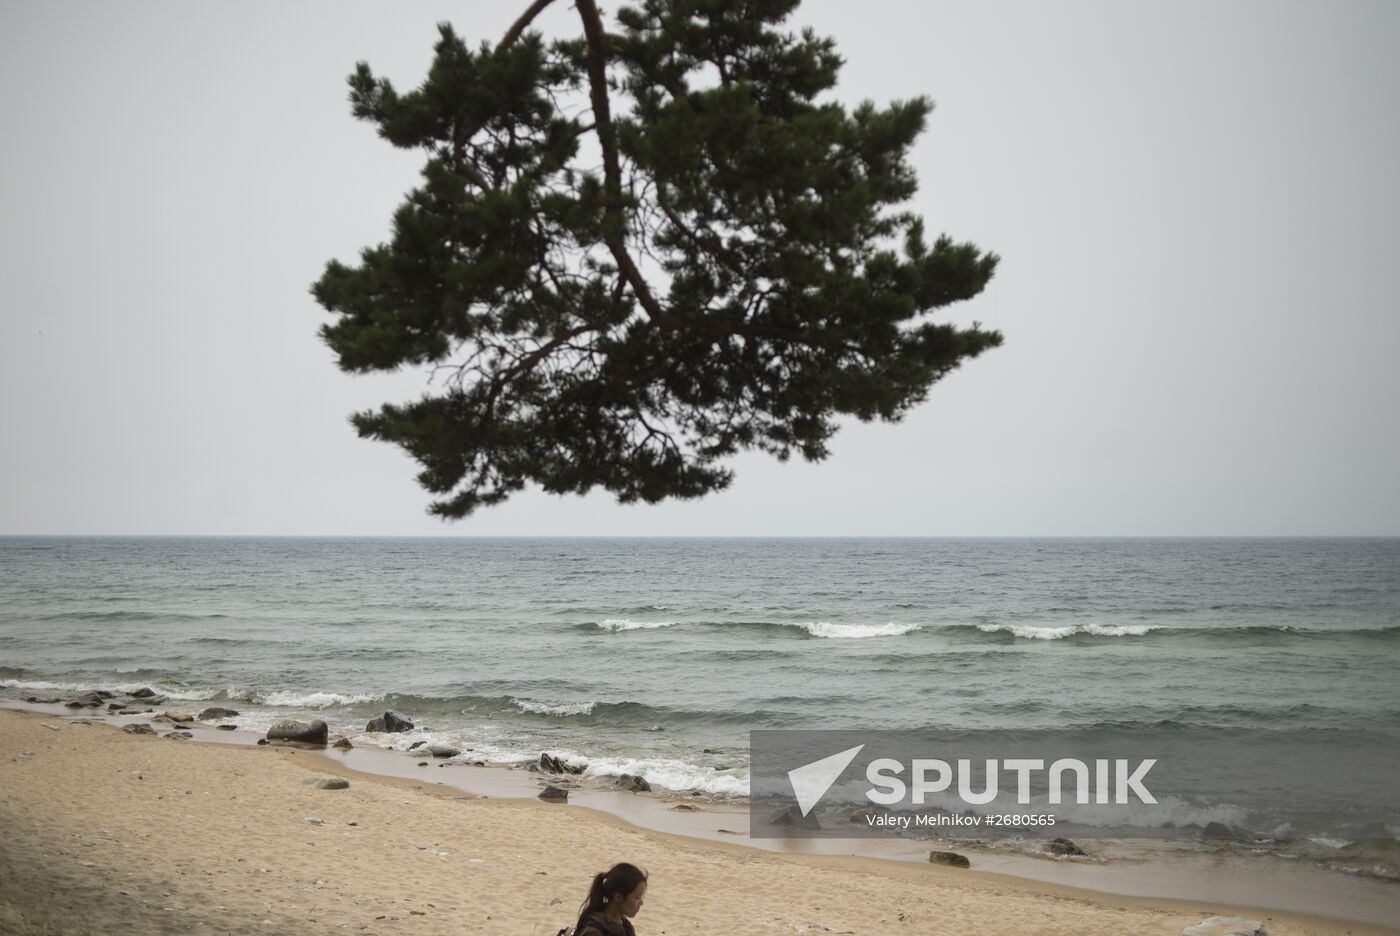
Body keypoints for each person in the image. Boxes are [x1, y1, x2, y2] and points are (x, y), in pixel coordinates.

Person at [571, 862, 647, 936]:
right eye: (637, 897)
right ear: (619, 897)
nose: (641, 902)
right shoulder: (593, 930)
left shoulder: (625, 925)